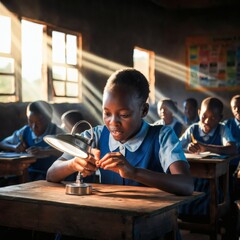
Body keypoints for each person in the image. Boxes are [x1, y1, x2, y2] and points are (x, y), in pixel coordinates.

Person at [47, 68, 193, 197]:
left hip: (152, 223)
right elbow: (51, 174)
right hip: (112, 219)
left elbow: (186, 185)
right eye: (107, 113)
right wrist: (73, 164)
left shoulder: (162, 136)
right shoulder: (96, 135)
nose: (113, 122)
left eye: (124, 115)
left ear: (143, 110)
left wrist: (134, 173)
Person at [178, 97, 237, 220]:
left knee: (212, 196)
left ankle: (208, 219)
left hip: (213, 180)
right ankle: (189, 217)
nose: (207, 121)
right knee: (185, 194)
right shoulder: (193, 129)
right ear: (199, 112)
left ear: (220, 118)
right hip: (194, 178)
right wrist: (187, 148)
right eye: (204, 116)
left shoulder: (222, 129)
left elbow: (232, 148)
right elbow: (176, 147)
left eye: (213, 118)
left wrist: (207, 148)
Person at [0, 100, 64, 181]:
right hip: (27, 173)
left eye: (39, 122)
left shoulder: (57, 132)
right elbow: (2, 143)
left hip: (49, 176)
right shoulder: (25, 131)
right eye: (30, 121)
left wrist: (46, 151)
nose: (33, 127)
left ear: (49, 119)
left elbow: (68, 153)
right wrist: (14, 147)